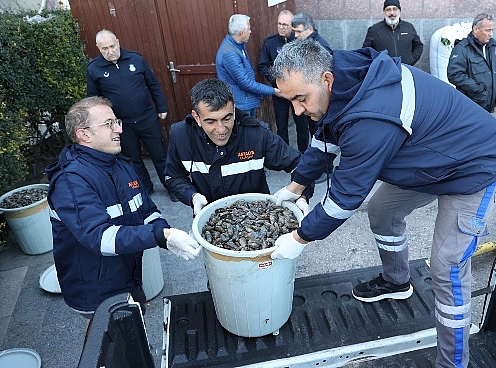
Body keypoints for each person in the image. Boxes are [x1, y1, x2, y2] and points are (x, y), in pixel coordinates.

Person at [269, 39, 496, 368]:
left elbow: (344, 199)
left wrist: (300, 238)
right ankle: (397, 281)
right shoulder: (343, 76)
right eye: (290, 100)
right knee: (383, 210)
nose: (297, 111)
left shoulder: (371, 118)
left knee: (447, 269)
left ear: (326, 80)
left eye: (301, 99)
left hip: (475, 167)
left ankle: (453, 363)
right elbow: (325, 138)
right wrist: (295, 187)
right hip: (432, 157)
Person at [46, 96, 201, 321]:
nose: (118, 129)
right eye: (109, 124)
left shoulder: (120, 164)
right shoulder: (71, 181)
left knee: (136, 324)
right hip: (96, 290)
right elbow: (99, 237)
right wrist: (160, 236)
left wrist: (166, 235)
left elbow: (147, 211)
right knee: (118, 344)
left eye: (117, 121)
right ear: (84, 134)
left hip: (127, 277)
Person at [164, 78, 311, 216]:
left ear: (234, 110)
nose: (221, 129)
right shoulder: (181, 136)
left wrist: (301, 195)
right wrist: (192, 196)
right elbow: (173, 176)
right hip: (210, 221)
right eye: (211, 122)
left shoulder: (257, 134)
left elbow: (300, 165)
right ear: (197, 117)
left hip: (258, 219)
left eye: (227, 119)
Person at [87, 29, 174, 199]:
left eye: (112, 46)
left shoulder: (136, 59)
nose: (110, 51)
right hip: (121, 124)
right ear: (98, 48)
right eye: (105, 48)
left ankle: (172, 187)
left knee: (160, 155)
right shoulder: (94, 69)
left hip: (146, 117)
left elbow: (153, 84)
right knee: (133, 159)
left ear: (118, 42)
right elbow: (94, 100)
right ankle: (145, 188)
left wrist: (161, 107)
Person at [258, 10, 309, 153]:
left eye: (285, 24)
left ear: (291, 26)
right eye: (279, 24)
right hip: (279, 93)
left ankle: (304, 154)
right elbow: (263, 65)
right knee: (281, 126)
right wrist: (276, 81)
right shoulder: (270, 43)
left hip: (298, 92)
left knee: (302, 125)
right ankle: (284, 155)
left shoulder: (299, 41)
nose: (281, 27)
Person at [216, 14, 279, 119]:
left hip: (246, 101)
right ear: (241, 33)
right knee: (246, 133)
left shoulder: (238, 44)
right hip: (241, 105)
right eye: (249, 29)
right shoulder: (230, 54)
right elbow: (246, 83)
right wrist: (273, 91)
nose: (250, 31)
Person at [447, 13, 496, 113]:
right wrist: (479, 90)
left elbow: (491, 70)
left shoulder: (490, 46)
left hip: (488, 102)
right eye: (488, 30)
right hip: (471, 104)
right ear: (476, 29)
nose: (491, 34)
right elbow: (454, 74)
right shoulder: (462, 48)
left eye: (492, 30)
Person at [290, 12, 332, 139]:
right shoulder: (305, 44)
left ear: (310, 29)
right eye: (294, 32)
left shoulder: (320, 46)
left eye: (298, 32)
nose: (295, 36)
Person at [362, 0, 424, 66]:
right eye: (388, 10)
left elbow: (418, 46)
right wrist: (377, 64)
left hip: (406, 70)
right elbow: (365, 51)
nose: (392, 13)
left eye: (395, 9)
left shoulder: (409, 27)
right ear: (384, 12)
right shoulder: (374, 30)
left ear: (399, 10)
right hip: (384, 72)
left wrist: (411, 60)